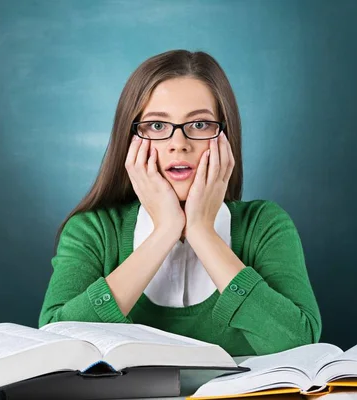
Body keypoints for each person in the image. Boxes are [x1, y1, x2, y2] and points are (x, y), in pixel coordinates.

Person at [38, 49, 321, 356]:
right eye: (157, 126)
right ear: (130, 139)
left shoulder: (264, 224)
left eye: (199, 125)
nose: (179, 144)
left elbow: (299, 345)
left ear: (225, 136)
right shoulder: (92, 231)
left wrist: (202, 231)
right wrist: (165, 231)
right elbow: (56, 345)